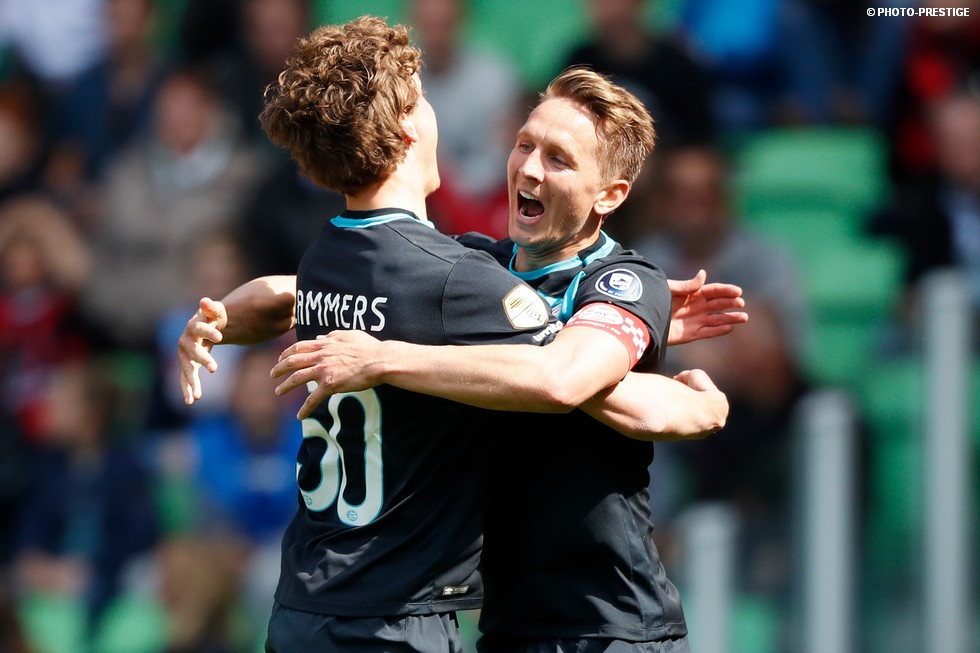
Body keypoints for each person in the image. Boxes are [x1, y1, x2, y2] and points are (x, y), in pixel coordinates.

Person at [179, 17, 731, 653]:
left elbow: (568, 381)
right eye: (524, 145)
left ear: (610, 194)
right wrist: (219, 317)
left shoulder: (622, 282)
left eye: (558, 159)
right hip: (500, 621)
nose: (529, 168)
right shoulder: (472, 274)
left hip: (608, 624)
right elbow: (293, 292)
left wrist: (699, 400)